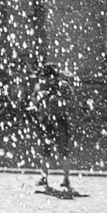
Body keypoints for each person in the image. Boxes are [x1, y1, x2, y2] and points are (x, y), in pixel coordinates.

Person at [36, 63, 77, 196]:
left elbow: (73, 103)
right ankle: (44, 178)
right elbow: (35, 100)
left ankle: (66, 179)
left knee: (63, 151)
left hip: (60, 121)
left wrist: (59, 100)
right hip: (47, 122)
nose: (46, 79)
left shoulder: (63, 86)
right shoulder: (43, 86)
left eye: (47, 76)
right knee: (45, 152)